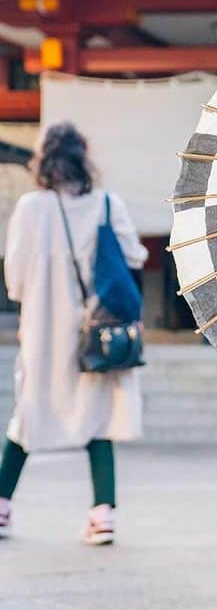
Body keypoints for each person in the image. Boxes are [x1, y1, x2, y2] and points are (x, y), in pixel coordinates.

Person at [0, 122, 147, 545]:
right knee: (98, 418)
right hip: (100, 330)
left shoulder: (31, 208)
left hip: (45, 333)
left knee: (29, 412)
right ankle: (102, 515)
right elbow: (135, 256)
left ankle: (3, 506)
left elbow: (15, 281)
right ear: (85, 158)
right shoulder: (107, 204)